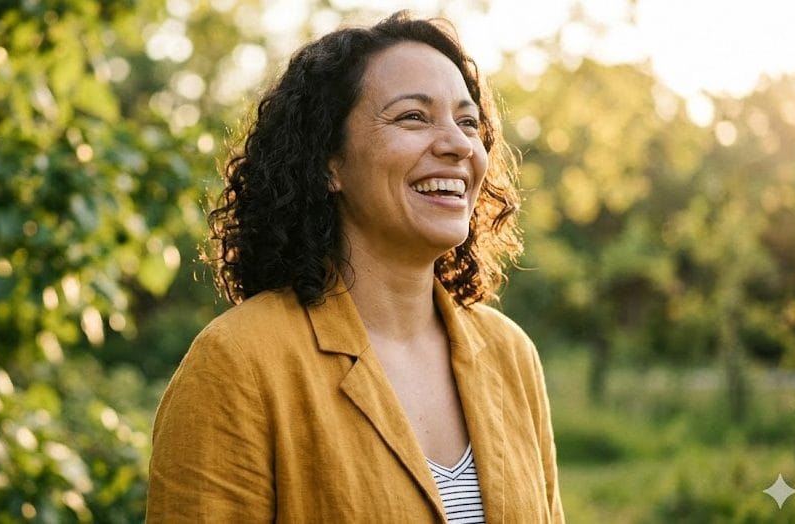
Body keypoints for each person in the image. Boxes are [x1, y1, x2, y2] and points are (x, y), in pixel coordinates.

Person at [147, 11, 563, 523]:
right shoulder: (237, 362)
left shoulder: (511, 354)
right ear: (329, 163)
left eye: (469, 122)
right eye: (413, 117)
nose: (457, 144)